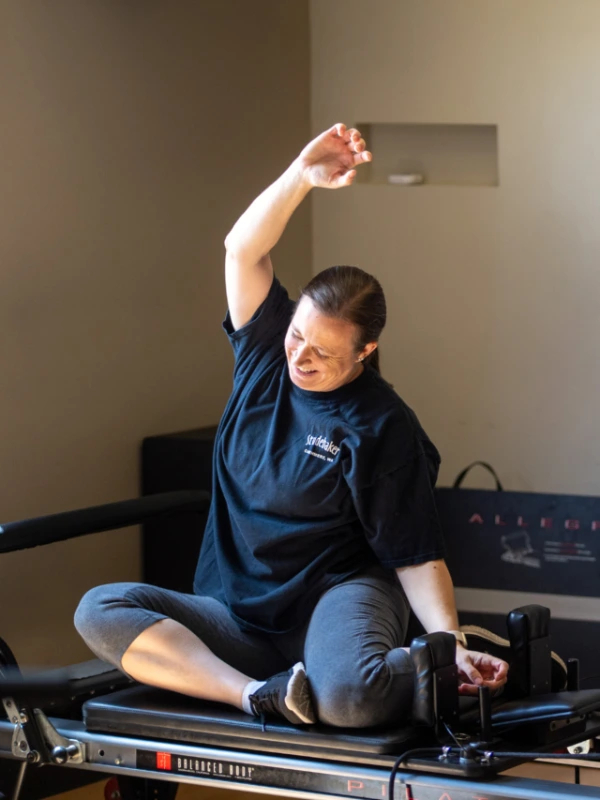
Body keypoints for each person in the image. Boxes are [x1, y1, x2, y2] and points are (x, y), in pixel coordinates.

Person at [75, 123, 508, 729]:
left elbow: (416, 557)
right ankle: (257, 694)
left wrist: (449, 640)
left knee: (349, 699)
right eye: (297, 334)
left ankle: (425, 663)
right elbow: (241, 250)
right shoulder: (262, 354)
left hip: (336, 599)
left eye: (323, 352)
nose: (300, 356)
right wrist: (301, 176)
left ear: (364, 352)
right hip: (240, 615)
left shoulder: (382, 425)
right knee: (100, 609)